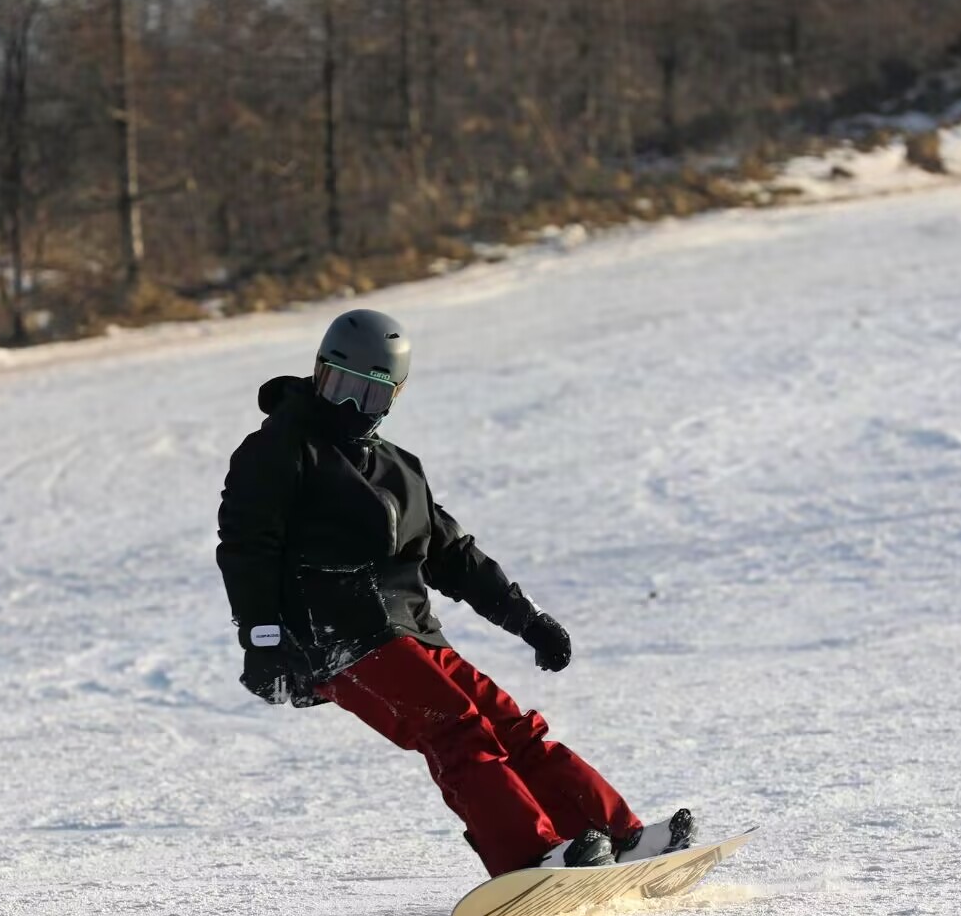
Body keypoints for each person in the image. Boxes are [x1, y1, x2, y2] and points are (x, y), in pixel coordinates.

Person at [215, 308, 691, 877]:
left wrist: (527, 619)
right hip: (339, 635)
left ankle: (616, 836)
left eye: (366, 396)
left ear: (392, 397)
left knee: (510, 726)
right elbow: (247, 547)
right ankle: (527, 855)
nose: (347, 407)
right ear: (318, 373)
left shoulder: (398, 469)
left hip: (411, 631)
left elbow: (453, 555)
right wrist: (263, 639)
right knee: (455, 727)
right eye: (338, 387)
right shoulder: (278, 450)